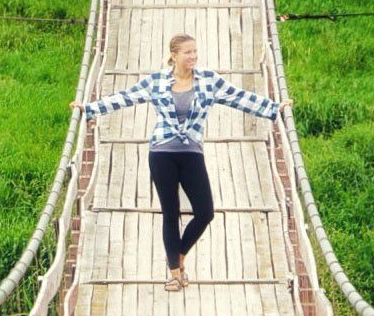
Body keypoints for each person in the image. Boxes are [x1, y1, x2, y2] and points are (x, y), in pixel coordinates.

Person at [71, 33, 292, 291]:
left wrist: (275, 109)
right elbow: (125, 97)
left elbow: (239, 97)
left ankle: (179, 255)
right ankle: (175, 274)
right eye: (188, 53)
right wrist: (89, 109)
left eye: (195, 52)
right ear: (174, 55)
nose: (193, 57)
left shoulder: (208, 80)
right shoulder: (157, 81)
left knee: (205, 211)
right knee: (170, 212)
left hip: (191, 153)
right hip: (162, 152)